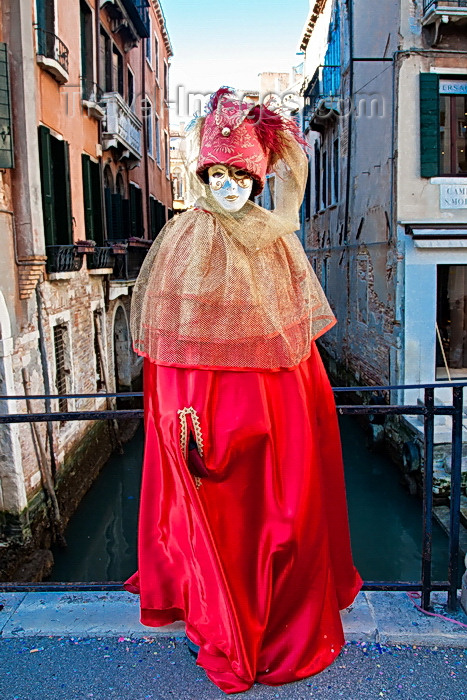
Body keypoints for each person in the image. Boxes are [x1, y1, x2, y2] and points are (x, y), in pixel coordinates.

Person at [125, 88, 362, 694]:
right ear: (203, 176)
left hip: (269, 417)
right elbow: (174, 350)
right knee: (215, 514)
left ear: (258, 183)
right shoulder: (182, 245)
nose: (229, 187)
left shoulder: (278, 247)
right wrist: (187, 419)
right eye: (218, 174)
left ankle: (276, 609)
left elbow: (294, 352)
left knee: (280, 514)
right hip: (202, 416)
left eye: (241, 176)